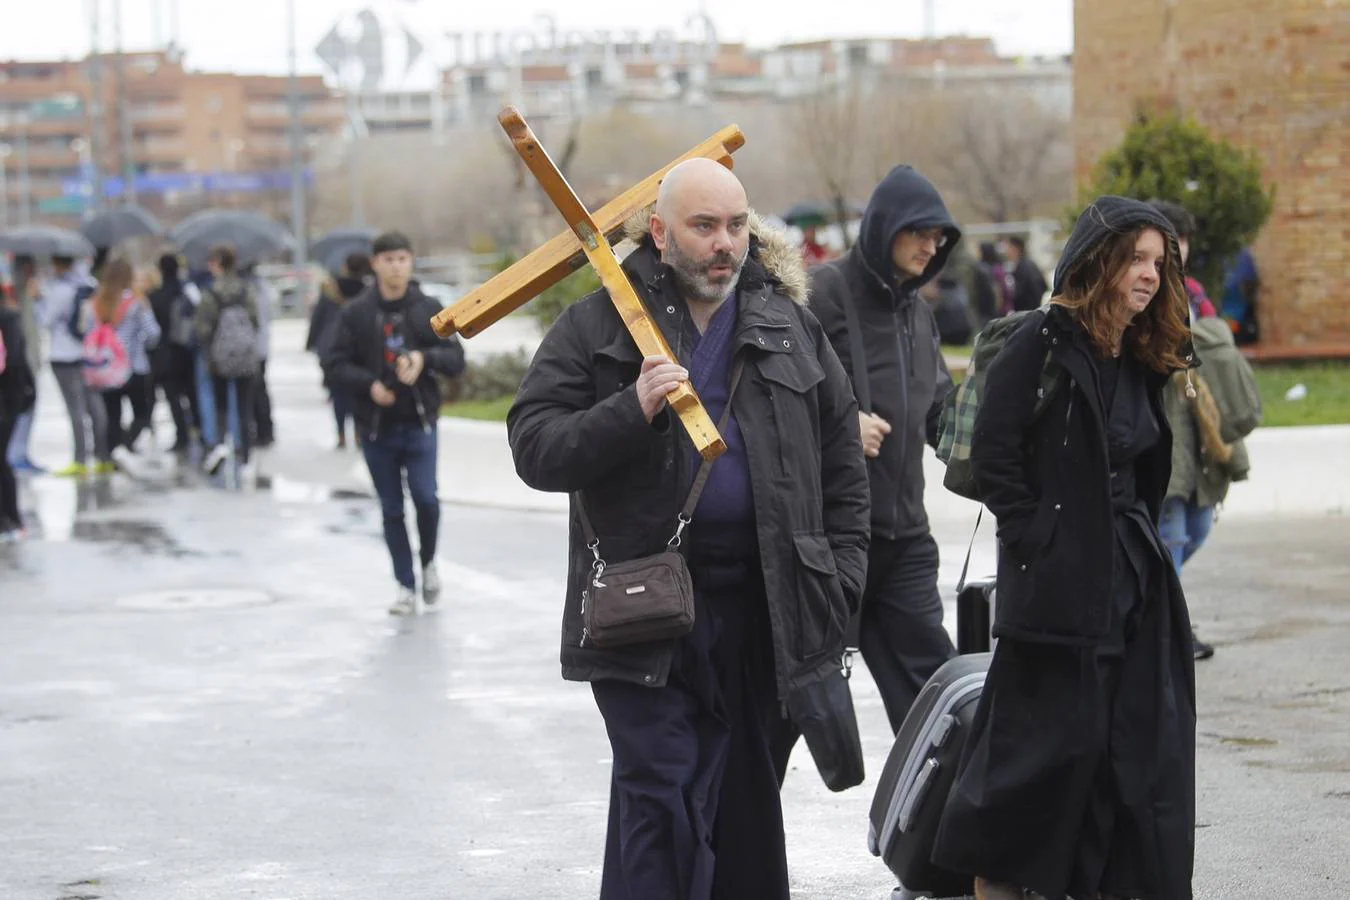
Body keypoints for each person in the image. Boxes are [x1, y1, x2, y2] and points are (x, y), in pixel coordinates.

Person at [506, 158, 870, 899]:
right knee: (662, 789)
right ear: (660, 232)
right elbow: (534, 446)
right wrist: (629, 409)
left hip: (769, 610)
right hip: (646, 610)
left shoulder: (789, 325)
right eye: (704, 227)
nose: (724, 245)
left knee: (744, 797)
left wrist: (841, 581)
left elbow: (843, 468)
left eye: (737, 226)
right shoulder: (603, 324)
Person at [933, 196, 1197, 900]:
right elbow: (996, 460)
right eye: (1136, 259)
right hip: (1052, 604)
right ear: (1100, 260)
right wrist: (1038, 544)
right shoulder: (1038, 344)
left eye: (1158, 263)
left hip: (1133, 592)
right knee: (1029, 781)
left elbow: (1144, 466)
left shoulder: (1141, 353)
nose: (1149, 275)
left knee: (1132, 766)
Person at [807, 164, 959, 733]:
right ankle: (736, 822)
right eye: (920, 232)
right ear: (885, 228)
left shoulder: (918, 312)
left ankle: (941, 821)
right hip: (831, 545)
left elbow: (940, 408)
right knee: (795, 708)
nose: (931, 245)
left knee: (938, 706)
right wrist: (841, 425)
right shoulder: (823, 293)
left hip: (905, 544)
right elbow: (766, 396)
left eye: (939, 237)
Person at [322, 231, 465, 615]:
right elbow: (333, 363)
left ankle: (429, 562)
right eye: (388, 259)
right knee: (391, 509)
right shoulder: (356, 312)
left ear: (411, 261)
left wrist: (423, 360)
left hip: (419, 422)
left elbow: (455, 358)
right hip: (376, 427)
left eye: (402, 258)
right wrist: (369, 387)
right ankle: (404, 584)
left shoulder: (427, 306)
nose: (396, 266)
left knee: (426, 499)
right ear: (375, 264)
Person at [1149, 199, 1256, 662]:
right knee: (1170, 528)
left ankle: (1153, 609)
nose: (1180, 249)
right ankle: (1169, 630)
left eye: (1183, 239)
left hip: (1198, 424)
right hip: (1162, 426)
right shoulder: (1142, 288)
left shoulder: (1193, 292)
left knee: (1197, 525)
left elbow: (1212, 347)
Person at [82, 257, 161, 469]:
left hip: (106, 368)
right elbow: (153, 333)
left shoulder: (96, 302)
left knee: (112, 415)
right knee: (143, 414)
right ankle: (123, 447)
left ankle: (110, 453)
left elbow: (87, 332)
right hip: (135, 366)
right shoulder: (136, 302)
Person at [196, 245, 261, 479]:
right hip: (245, 355)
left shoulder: (211, 292)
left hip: (218, 356)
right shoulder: (246, 290)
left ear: (218, 263)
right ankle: (246, 456)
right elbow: (254, 321)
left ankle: (221, 446)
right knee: (245, 408)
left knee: (221, 405)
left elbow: (203, 328)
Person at [35, 254, 102, 475]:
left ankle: (80, 460)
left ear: (56, 263)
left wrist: (37, 300)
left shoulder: (59, 290)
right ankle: (102, 455)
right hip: (85, 353)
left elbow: (45, 321)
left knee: (75, 409)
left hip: (62, 355)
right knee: (92, 405)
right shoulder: (88, 286)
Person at [308, 253, 370, 449]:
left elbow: (318, 319)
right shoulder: (368, 291)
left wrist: (311, 342)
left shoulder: (330, 290)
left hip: (332, 346)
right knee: (359, 391)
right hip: (360, 348)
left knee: (338, 394)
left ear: (345, 266)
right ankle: (359, 432)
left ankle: (341, 433)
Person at [146, 252, 200, 454]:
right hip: (187, 351)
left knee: (173, 397)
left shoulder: (155, 297)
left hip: (164, 354)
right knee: (192, 394)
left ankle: (182, 435)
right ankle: (198, 430)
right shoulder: (187, 293)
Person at [0, 287, 37, 538]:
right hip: (13, 397)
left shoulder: (8, 319)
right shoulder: (12, 317)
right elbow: (20, 359)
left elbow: (13, 360)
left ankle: (10, 520)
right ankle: (13, 519)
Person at [5, 255, 44, 474]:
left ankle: (18, 452)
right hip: (19, 363)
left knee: (27, 406)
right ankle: (16, 454)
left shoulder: (27, 295)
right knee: (22, 407)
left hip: (27, 359)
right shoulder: (16, 294)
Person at [1001, 234, 1049, 313]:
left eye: (1008, 247)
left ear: (1016, 248)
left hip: (1029, 313)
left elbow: (1036, 290)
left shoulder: (1025, 268)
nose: (1006, 251)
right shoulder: (1024, 265)